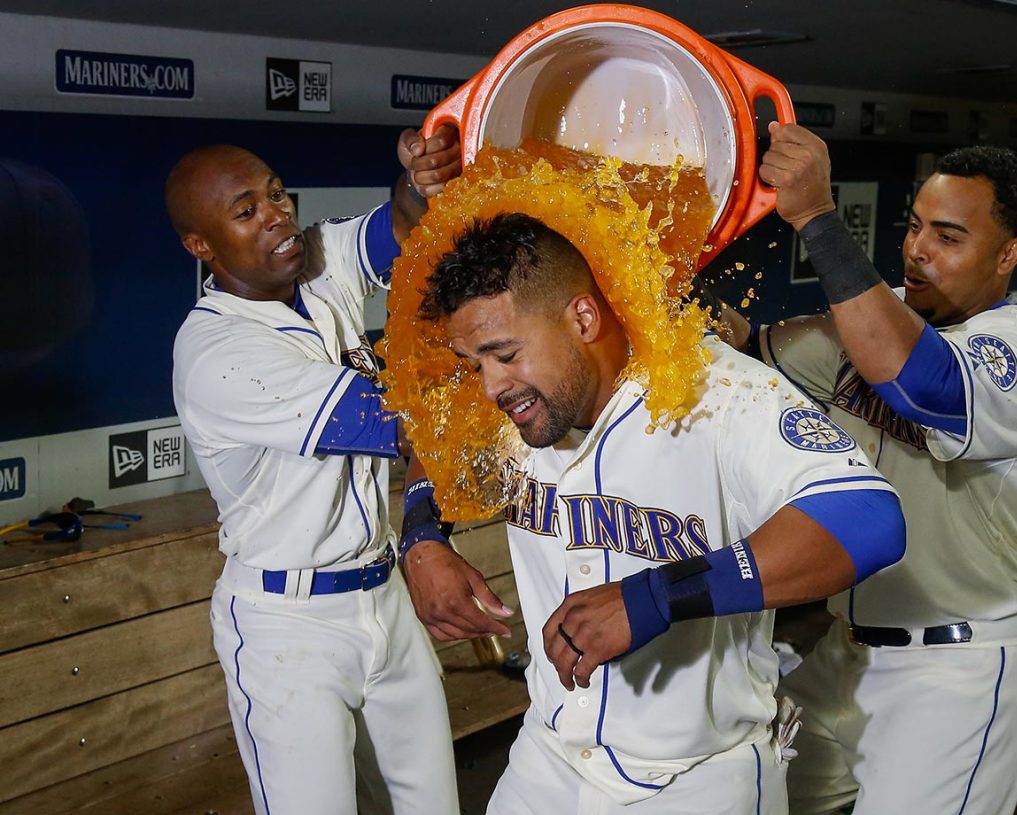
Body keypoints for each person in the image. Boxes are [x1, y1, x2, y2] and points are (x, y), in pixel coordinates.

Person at [401, 211, 907, 814]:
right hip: (549, 756)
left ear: (583, 317)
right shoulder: (515, 400)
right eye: (474, 363)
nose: (489, 386)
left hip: (696, 777)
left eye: (504, 354)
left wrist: (657, 597)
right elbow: (436, 442)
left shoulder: (711, 389)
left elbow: (869, 519)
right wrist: (423, 537)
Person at [748, 124, 1017, 815]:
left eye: (949, 237)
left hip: (955, 670)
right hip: (845, 657)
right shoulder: (878, 315)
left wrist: (815, 217)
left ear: (1007, 254)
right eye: (916, 226)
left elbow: (922, 382)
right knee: (742, 794)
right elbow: (745, 358)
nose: (918, 249)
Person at [168, 126, 463, 815]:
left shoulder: (315, 261)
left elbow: (406, 226)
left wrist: (422, 181)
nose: (277, 215)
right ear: (201, 245)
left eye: (276, 194)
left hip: (384, 594)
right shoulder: (217, 349)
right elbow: (403, 421)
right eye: (246, 211)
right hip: (288, 624)